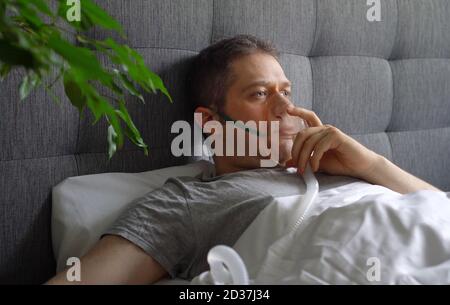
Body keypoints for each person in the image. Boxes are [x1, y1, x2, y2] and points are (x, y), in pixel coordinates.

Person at [46, 35, 441, 285]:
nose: (286, 107)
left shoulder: (338, 165)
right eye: (259, 94)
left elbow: (437, 211)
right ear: (211, 123)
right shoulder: (185, 203)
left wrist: (370, 165)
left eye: (286, 91)